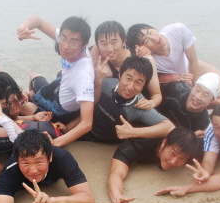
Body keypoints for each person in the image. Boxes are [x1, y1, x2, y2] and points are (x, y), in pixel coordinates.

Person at [17, 15, 95, 147]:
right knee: (33, 76)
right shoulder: (68, 40)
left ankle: (33, 104)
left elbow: (87, 123)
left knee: (24, 107)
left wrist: (56, 143)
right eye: (63, 39)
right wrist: (23, 28)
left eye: (73, 43)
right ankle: (32, 97)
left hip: (59, 111)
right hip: (60, 87)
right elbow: (38, 21)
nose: (65, 46)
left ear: (84, 45)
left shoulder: (83, 76)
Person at [107, 127, 200, 203]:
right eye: (172, 153)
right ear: (164, 142)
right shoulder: (133, 146)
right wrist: (117, 195)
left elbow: (209, 153)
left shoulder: (192, 150)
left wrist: (205, 173)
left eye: (182, 159)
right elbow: (116, 174)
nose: (173, 162)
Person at [86, 56, 175, 142]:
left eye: (138, 83)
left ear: (144, 86)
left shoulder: (140, 106)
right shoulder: (106, 84)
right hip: (86, 131)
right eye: (128, 78)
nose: (130, 87)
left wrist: (133, 132)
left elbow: (169, 127)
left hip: (105, 143)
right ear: (120, 75)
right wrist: (97, 83)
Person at [126, 22, 220, 88]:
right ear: (141, 46)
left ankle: (213, 102)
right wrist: (138, 53)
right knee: (191, 87)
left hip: (188, 63)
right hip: (176, 78)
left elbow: (193, 61)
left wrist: (196, 89)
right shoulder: (148, 58)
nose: (154, 38)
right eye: (146, 40)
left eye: (150, 32)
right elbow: (151, 81)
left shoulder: (178, 30)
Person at [90, 21, 162, 109]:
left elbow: (156, 94)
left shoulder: (144, 58)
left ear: (124, 42)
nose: (110, 49)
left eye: (114, 42)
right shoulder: (101, 66)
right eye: (104, 44)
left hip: (139, 106)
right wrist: (97, 80)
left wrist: (151, 103)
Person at [157, 72, 220, 136]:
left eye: (205, 95)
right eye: (197, 89)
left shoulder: (203, 124)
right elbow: (153, 96)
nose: (198, 97)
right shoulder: (175, 88)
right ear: (193, 87)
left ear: (211, 101)